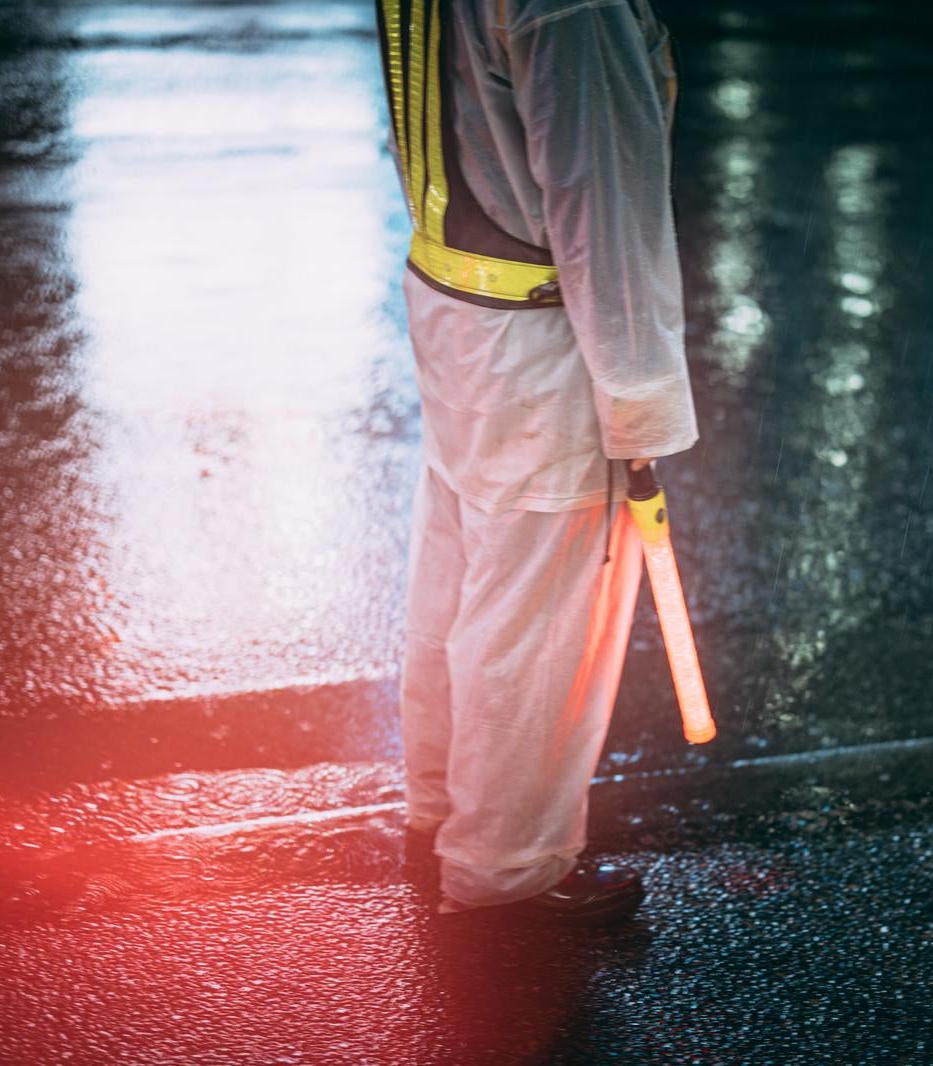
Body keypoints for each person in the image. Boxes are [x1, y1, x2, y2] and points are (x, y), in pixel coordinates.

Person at [375, 0, 698, 923]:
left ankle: (442, 811)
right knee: (540, 613)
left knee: (462, 573)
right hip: (544, 336)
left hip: (458, 298)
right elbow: (603, 199)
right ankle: (506, 871)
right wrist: (637, 407)